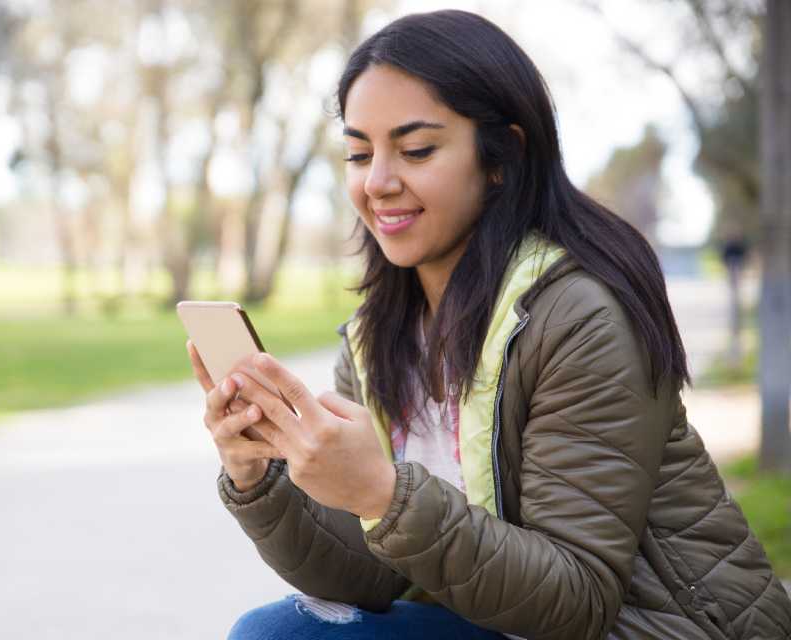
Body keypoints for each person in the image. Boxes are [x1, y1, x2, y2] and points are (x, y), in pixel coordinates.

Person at [186, 10, 791, 640]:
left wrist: (384, 496)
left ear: (502, 156)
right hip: (498, 624)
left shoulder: (578, 318)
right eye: (359, 153)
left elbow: (578, 601)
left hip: (654, 628)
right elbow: (367, 582)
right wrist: (258, 478)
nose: (378, 182)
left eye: (416, 150)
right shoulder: (375, 337)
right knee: (285, 630)